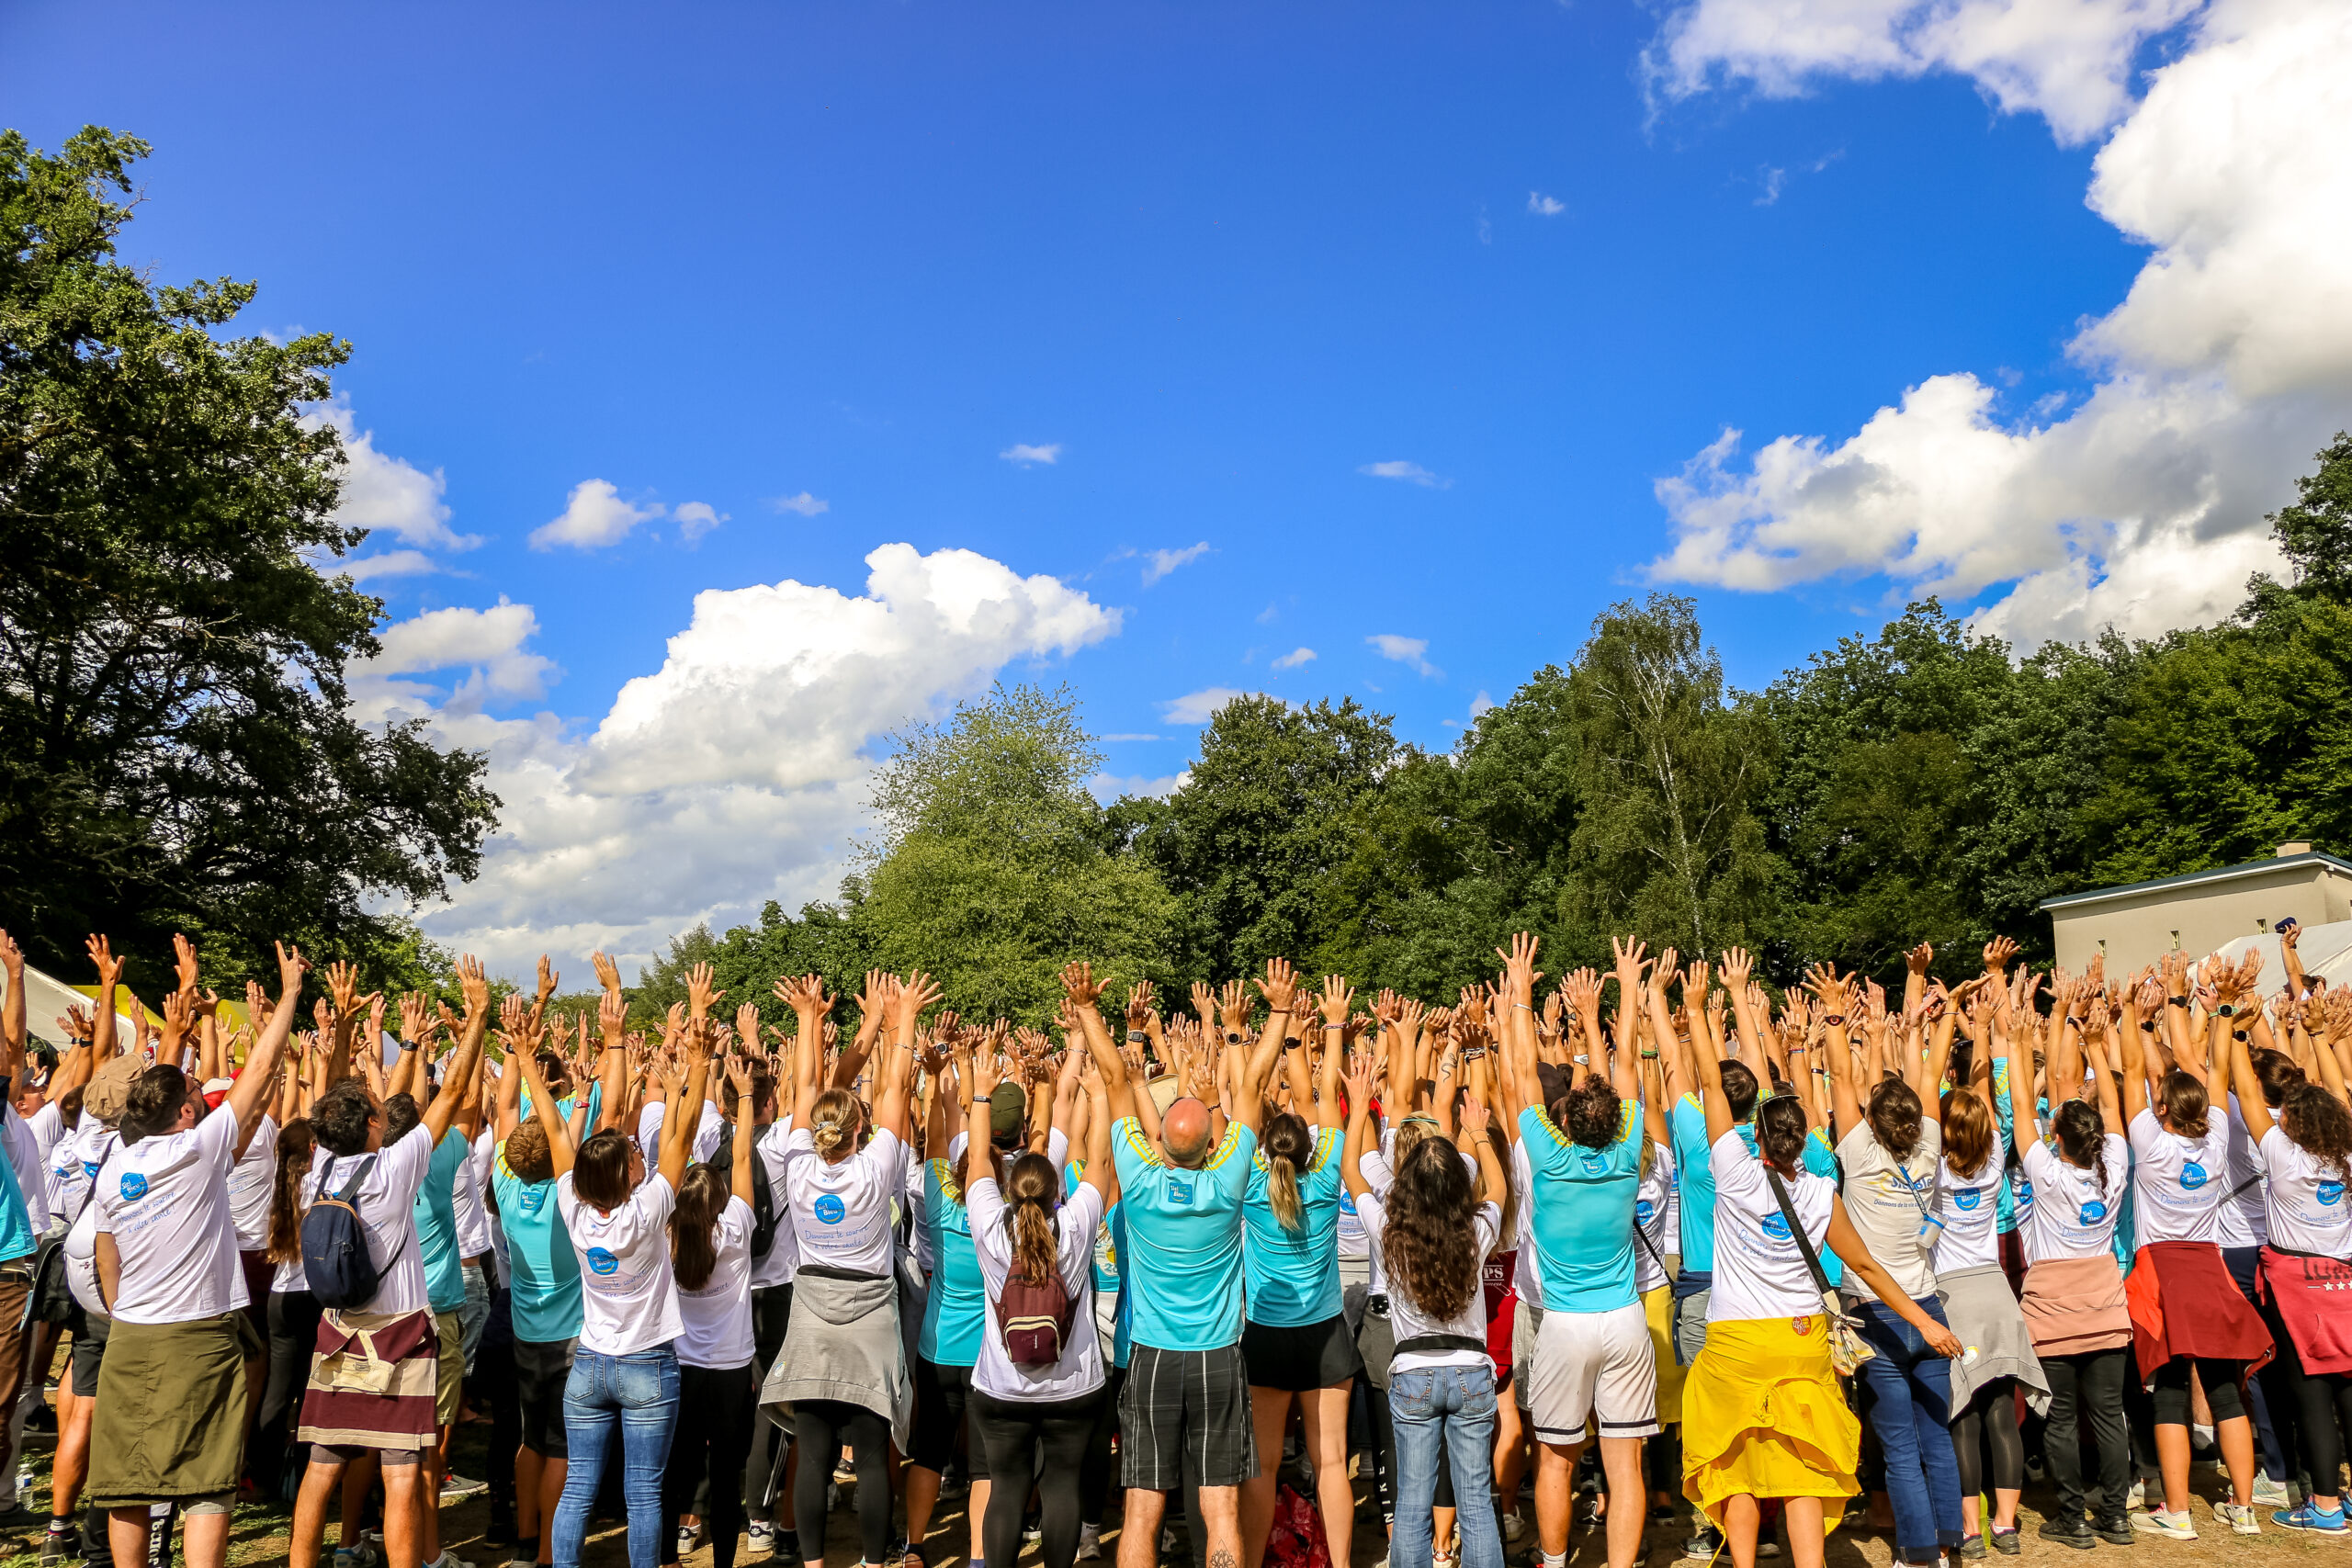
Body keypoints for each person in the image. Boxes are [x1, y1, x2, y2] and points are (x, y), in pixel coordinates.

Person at [1679, 1009, 1963, 1568]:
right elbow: (1869, 1268)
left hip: (1736, 1343)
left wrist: (1693, 1008)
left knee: (1735, 1464)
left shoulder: (1734, 1171)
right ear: (1804, 1138)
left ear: (1755, 1135)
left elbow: (1710, 1082)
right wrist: (1926, 1321)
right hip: (1801, 1338)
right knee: (1803, 1465)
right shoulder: (1820, 1192)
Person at [88, 940, 302, 1568]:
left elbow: (106, 1255)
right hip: (198, 1333)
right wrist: (290, 994)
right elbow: (259, 1072)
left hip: (131, 1332)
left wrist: (121, 1309)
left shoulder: (115, 1165)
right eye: (196, 1097)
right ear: (187, 1112)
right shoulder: (198, 1150)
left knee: (127, 1478)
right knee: (208, 1477)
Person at [1074, 958, 1290, 1568]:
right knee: (1220, 1506)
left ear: (1161, 1142)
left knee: (1142, 1507)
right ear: (1208, 1144)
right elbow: (1252, 1087)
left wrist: (1089, 1010)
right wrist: (1275, 1012)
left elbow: (1115, 1078)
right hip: (1218, 1355)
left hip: (1152, 1356)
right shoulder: (1228, 1180)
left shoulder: (1138, 1180)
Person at [288, 958, 492, 1568]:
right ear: (375, 1124)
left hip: (337, 1331)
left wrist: (343, 1026)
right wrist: (477, 1015)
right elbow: (451, 1093)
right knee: (401, 1472)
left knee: (321, 1467)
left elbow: (329, 1101)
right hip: (400, 1334)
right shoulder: (396, 1167)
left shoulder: (316, 1171)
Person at [542, 964, 705, 1568]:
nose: (640, 1150)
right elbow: (683, 1136)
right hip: (647, 1365)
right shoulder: (648, 1209)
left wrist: (531, 1064)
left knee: (579, 1488)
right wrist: (693, 1066)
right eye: (633, 1152)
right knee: (643, 1492)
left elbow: (558, 1130)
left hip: (589, 1365)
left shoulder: (573, 1205)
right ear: (625, 1172)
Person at [763, 969, 924, 1568]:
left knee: (813, 1450)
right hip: (871, 1315)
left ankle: (811, 1563)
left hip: (810, 1313)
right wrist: (901, 1019)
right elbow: (898, 1086)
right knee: (873, 1454)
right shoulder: (877, 1165)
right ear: (861, 1130)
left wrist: (808, 1018)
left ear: (817, 1129)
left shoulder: (798, 1165)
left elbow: (805, 1084)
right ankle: (874, 1562)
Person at [1502, 942, 1654, 1568]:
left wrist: (1520, 993)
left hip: (1565, 1326)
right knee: (1625, 1465)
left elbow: (1521, 1071)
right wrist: (1615, 999)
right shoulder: (1627, 1152)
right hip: (1625, 1320)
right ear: (1616, 1121)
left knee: (1556, 1461)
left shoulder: (1547, 1156)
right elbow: (1626, 1067)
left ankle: (1555, 1560)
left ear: (1563, 1122)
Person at [2120, 964, 2272, 1540]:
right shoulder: (2217, 1136)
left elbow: (2134, 1069)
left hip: (2162, 1270)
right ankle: (2245, 1508)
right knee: (2225, 1389)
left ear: (2161, 1108)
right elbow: (2217, 1070)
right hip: (2210, 1265)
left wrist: (2135, 1015)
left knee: (2170, 1391)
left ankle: (2178, 1512)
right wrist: (2223, 1010)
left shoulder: (2150, 1142)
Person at [959, 1008, 1114, 1568]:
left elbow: (979, 1160)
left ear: (1010, 1192)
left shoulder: (987, 1224)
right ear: (1056, 1192)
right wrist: (1099, 1095)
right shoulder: (1076, 1223)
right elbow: (1100, 1160)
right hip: (1073, 1384)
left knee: (1005, 1489)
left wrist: (980, 1092)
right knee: (1063, 1486)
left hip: (1001, 1386)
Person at [1822, 967, 1964, 1568]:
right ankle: (1951, 1541)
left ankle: (1917, 1553)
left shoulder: (1856, 1149)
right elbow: (1931, 1072)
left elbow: (1838, 1076)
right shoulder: (1930, 1140)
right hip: (1929, 1306)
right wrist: (1946, 1014)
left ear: (1871, 1122)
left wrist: (1836, 1016)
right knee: (1937, 1435)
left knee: (1901, 1444)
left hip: (1875, 1312)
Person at [2007, 976, 2133, 1549]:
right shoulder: (2116, 1161)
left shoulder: (2047, 1171)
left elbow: (2020, 1111)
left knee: (2058, 1417)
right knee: (2108, 1415)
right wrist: (2098, 1044)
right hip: (2104, 1298)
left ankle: (2073, 1519)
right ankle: (2117, 1516)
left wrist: (2017, 1044)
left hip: (2052, 1303)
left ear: (2055, 1135)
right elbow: (2111, 1104)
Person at [1238, 978, 1355, 1568]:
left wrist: (1274, 1020)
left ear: (1262, 1147)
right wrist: (1330, 1027)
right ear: (1310, 1148)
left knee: (1262, 1465)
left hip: (1265, 1334)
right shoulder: (1328, 1170)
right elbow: (1324, 1097)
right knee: (1331, 1461)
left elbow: (1247, 1090)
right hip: (1325, 1333)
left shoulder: (1249, 1182)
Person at [2226, 1011, 2352, 1533]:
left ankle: (2325, 1506)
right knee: (2349, 1389)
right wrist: (2320, 1036)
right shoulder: (2347, 1153)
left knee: (2312, 1395)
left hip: (2296, 1285)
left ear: (2292, 1123)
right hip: (2345, 1281)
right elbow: (2340, 1096)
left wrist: (2236, 1033)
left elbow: (2247, 1095)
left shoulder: (2283, 1155)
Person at [1932, 1017, 2046, 1557]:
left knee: (1965, 1416)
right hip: (1997, 1293)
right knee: (2003, 1412)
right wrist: (1984, 1031)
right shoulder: (1996, 1156)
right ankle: (2006, 1524)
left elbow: (1938, 1101)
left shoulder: (1933, 1168)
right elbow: (1988, 1103)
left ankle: (1971, 1530)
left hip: (1952, 1296)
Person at [661, 1061, 762, 1568]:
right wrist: (744, 1096)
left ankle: (665, 1557)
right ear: (721, 1201)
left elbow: (670, 1151)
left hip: (680, 1368)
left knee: (674, 1469)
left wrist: (674, 1094)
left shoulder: (665, 1235)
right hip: (730, 1370)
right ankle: (723, 1563)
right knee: (725, 1477)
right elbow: (741, 1155)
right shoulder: (736, 1229)